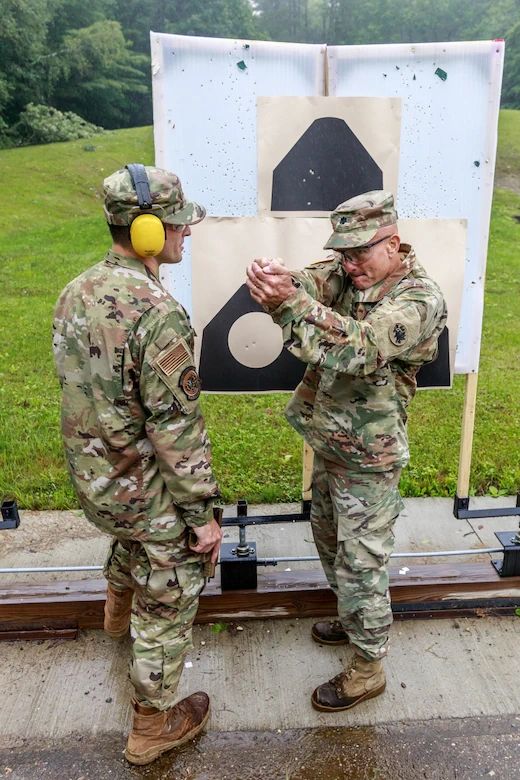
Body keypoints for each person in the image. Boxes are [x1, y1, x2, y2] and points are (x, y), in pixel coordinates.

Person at [246, 191, 447, 713]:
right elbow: (315, 281)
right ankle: (353, 615)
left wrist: (289, 304)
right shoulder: (350, 271)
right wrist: (282, 280)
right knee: (331, 541)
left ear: (394, 243)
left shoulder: (419, 299)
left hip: (369, 458)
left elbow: (360, 348)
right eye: (345, 252)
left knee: (362, 562)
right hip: (330, 438)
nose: (349, 263)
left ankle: (368, 666)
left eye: (360, 252)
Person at [53, 164, 222, 765]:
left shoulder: (76, 290)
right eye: (179, 223)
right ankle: (153, 726)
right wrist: (202, 517)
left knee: (136, 541)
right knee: (173, 583)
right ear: (150, 231)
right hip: (143, 488)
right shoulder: (157, 312)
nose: (186, 233)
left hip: (96, 481)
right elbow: (175, 429)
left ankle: (115, 615)